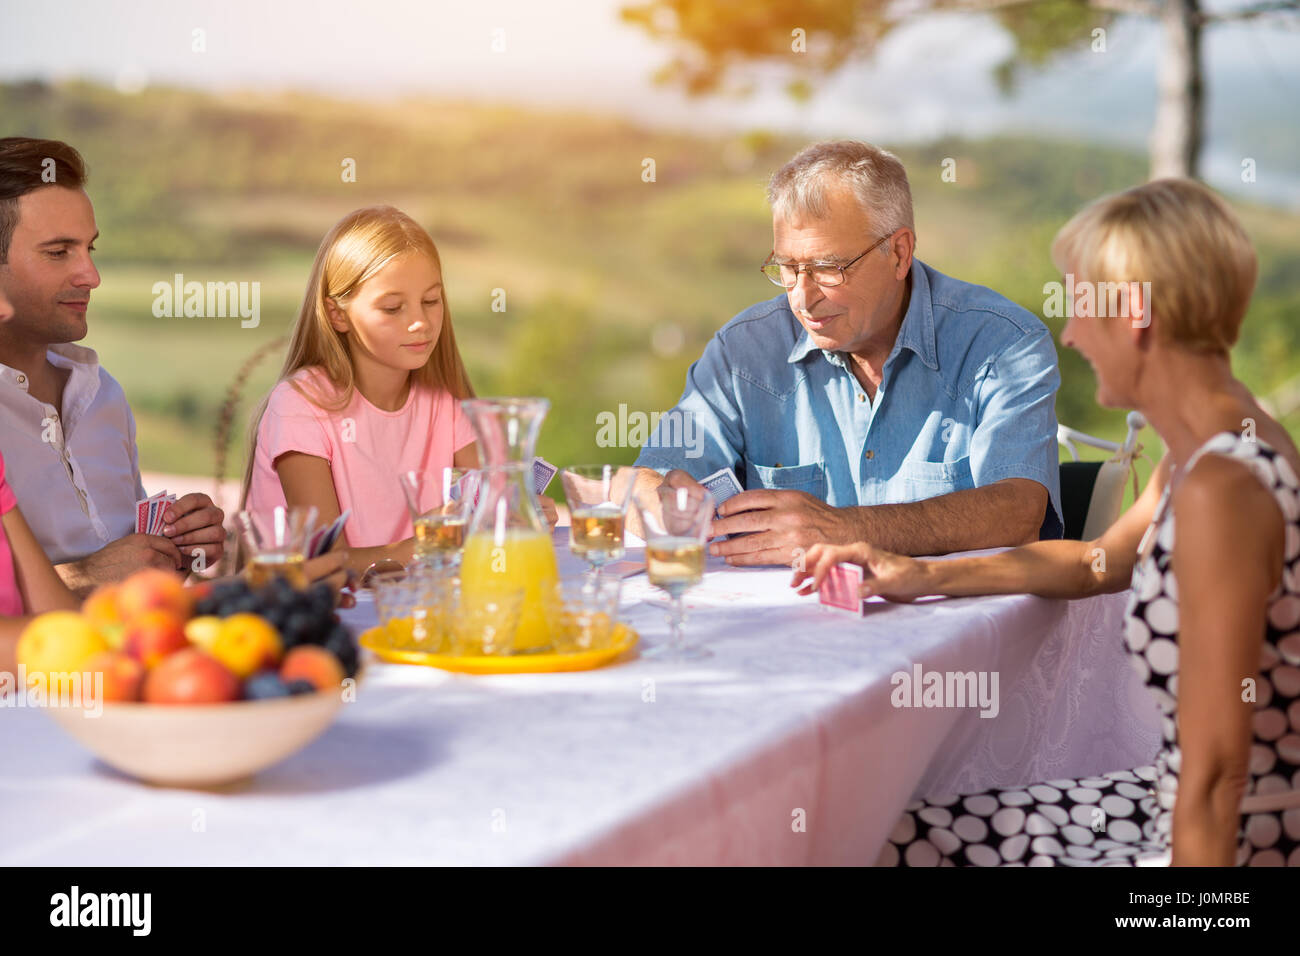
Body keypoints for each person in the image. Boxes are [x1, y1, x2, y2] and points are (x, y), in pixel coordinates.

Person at [794, 178, 1300, 867]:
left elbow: (1218, 779)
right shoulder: (1205, 453)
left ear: (1137, 313)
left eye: (1082, 306)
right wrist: (919, 574)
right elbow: (1097, 562)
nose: (1070, 333)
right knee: (895, 833)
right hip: (1178, 804)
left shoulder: (1222, 486)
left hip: (1234, 843)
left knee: (887, 846)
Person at [633, 140, 1063, 567]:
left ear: (899, 253)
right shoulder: (743, 352)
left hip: (955, 624)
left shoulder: (1003, 343)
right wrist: (663, 501)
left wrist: (842, 528)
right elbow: (643, 480)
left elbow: (1018, 512)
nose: (801, 297)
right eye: (787, 267)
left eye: (828, 268)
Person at [243, 205, 557, 576]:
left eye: (430, 301)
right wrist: (429, 542)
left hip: (408, 607)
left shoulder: (445, 402)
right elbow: (325, 565)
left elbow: (490, 514)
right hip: (319, 619)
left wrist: (521, 514)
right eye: (393, 308)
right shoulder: (300, 404)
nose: (420, 322)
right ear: (336, 314)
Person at [0, 137, 228, 594]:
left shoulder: (103, 393)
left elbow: (130, 563)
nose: (91, 276)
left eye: (90, 249)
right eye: (58, 251)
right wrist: (83, 578)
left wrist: (179, 546)